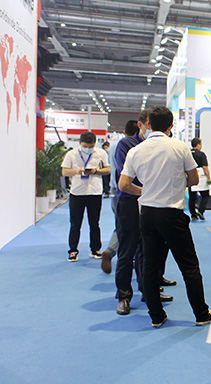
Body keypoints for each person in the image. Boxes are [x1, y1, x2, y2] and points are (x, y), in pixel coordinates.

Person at [119, 107, 211, 328]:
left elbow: (123, 185)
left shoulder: (136, 151)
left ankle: (156, 316)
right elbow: (193, 180)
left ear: (148, 124)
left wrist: (145, 190)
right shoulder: (180, 147)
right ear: (171, 126)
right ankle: (201, 313)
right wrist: (176, 182)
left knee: (150, 266)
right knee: (189, 266)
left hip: (147, 214)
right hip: (172, 214)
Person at [114, 112, 173, 315]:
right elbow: (126, 178)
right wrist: (149, 188)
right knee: (127, 249)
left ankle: (149, 292)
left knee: (148, 251)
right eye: (148, 123)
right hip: (129, 202)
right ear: (142, 124)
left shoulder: (164, 146)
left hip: (152, 204)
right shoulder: (127, 145)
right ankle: (123, 296)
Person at [61, 131, 110, 262]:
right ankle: (73, 250)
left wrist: (96, 171)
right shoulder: (71, 154)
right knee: (75, 224)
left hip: (95, 192)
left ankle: (95, 249)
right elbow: (64, 171)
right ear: (80, 143)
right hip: (77, 193)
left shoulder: (101, 153)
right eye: (85, 146)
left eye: (91, 146)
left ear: (95, 143)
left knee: (94, 223)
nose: (88, 148)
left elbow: (108, 169)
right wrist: (78, 171)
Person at [100, 120, 139, 275]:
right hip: (129, 191)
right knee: (130, 227)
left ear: (124, 131)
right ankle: (114, 252)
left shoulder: (114, 146)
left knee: (122, 226)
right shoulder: (132, 147)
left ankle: (113, 252)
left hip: (115, 189)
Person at [189, 138, 211, 221]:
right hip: (201, 177)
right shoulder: (201, 154)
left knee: (192, 197)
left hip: (191, 176)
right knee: (205, 195)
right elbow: (205, 167)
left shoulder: (188, 153)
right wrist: (209, 178)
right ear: (198, 145)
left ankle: (193, 215)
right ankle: (201, 211)